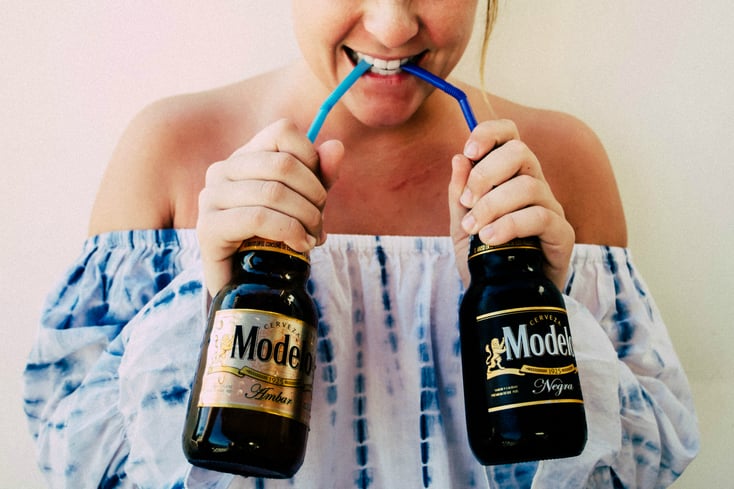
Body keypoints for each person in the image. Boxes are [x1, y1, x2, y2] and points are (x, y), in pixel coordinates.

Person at [23, 1, 699, 488]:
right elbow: (79, 464)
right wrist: (214, 300)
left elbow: (635, 471)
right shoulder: (167, 153)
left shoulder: (564, 165)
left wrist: (547, 304)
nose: (391, 24)